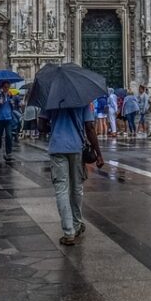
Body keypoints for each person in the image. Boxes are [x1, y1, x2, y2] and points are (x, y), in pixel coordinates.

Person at [46, 101, 102, 246]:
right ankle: (77, 224)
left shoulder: (50, 98)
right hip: (76, 147)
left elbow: (40, 126)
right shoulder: (82, 98)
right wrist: (99, 153)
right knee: (77, 187)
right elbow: (89, 127)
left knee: (61, 189)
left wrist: (55, 125)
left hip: (57, 147)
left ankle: (68, 231)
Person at [0, 81, 15, 160]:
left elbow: (13, 106)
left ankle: (8, 152)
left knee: (9, 135)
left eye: (8, 87)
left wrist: (12, 104)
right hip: (0, 118)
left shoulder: (10, 95)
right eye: (5, 87)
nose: (7, 88)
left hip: (8, 118)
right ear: (2, 87)